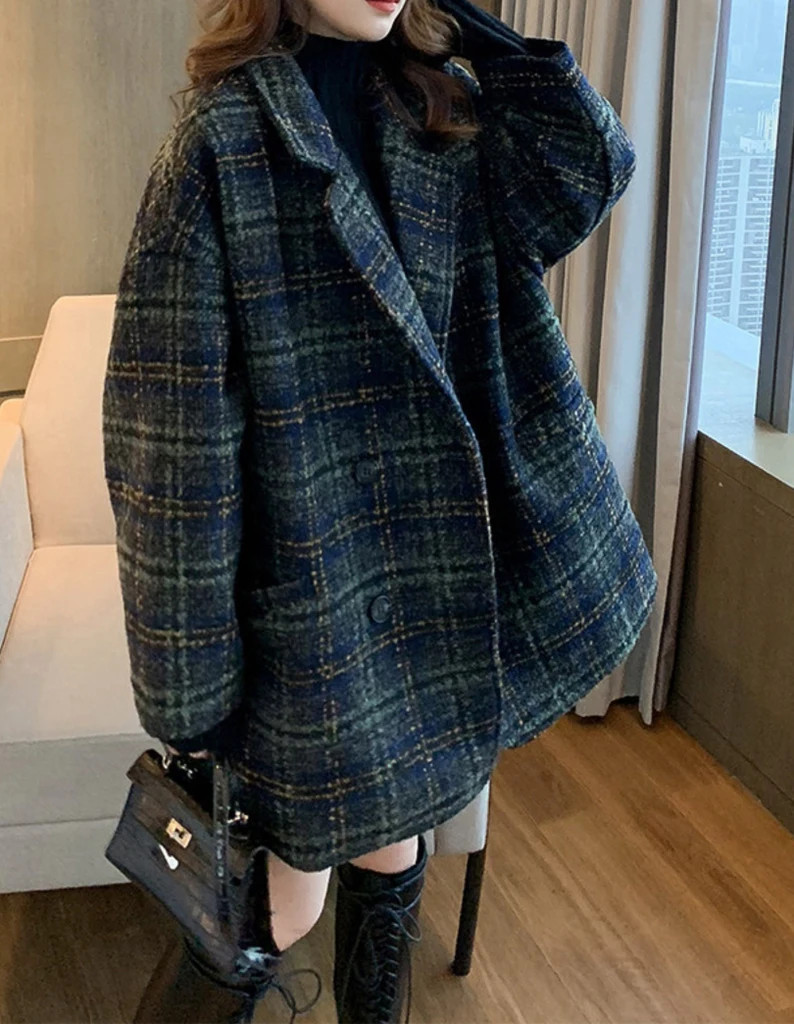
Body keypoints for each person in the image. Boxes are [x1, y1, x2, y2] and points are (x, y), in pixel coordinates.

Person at [101, 0, 658, 1021]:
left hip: (438, 586)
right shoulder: (221, 150)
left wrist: (476, 30)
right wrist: (194, 695)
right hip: (316, 600)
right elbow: (171, 448)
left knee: (393, 848)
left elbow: (582, 176)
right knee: (273, 910)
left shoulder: (435, 102)